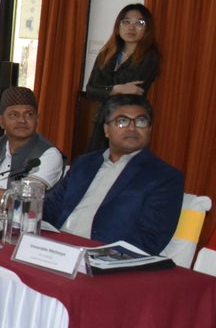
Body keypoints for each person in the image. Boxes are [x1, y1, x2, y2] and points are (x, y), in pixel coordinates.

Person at [44, 95, 182, 255]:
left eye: (141, 121)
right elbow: (51, 208)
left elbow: (150, 238)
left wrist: (101, 257)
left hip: (102, 258)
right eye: (122, 121)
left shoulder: (164, 176)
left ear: (149, 129)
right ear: (106, 130)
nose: (132, 128)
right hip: (56, 249)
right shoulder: (84, 163)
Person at [83, 3, 160, 152]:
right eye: (126, 22)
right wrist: (117, 89)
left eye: (139, 23)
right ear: (118, 26)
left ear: (147, 28)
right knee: (95, 161)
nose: (131, 28)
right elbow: (91, 90)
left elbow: (134, 91)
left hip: (128, 122)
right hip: (102, 120)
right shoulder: (106, 54)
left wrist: (105, 90)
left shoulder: (149, 58)